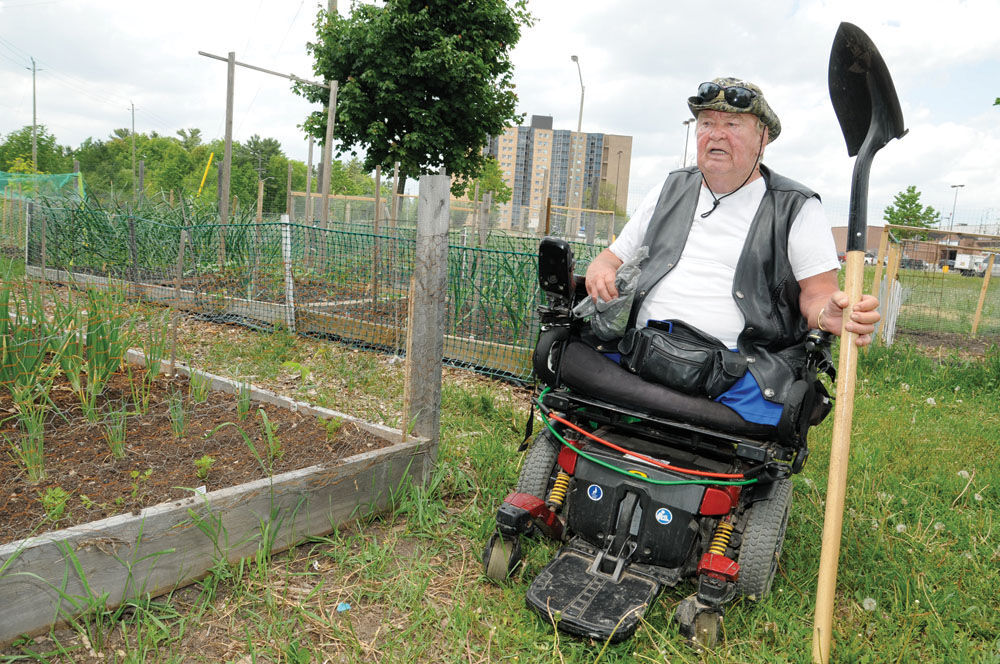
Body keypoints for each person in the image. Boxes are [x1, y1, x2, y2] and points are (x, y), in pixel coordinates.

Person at [584, 77, 880, 426]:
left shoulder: (796, 207)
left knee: (783, 406)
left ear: (763, 138)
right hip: (643, 349)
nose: (716, 134)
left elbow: (818, 295)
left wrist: (828, 313)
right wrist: (600, 269)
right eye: (707, 123)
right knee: (567, 350)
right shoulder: (669, 188)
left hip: (741, 370)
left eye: (733, 124)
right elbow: (611, 258)